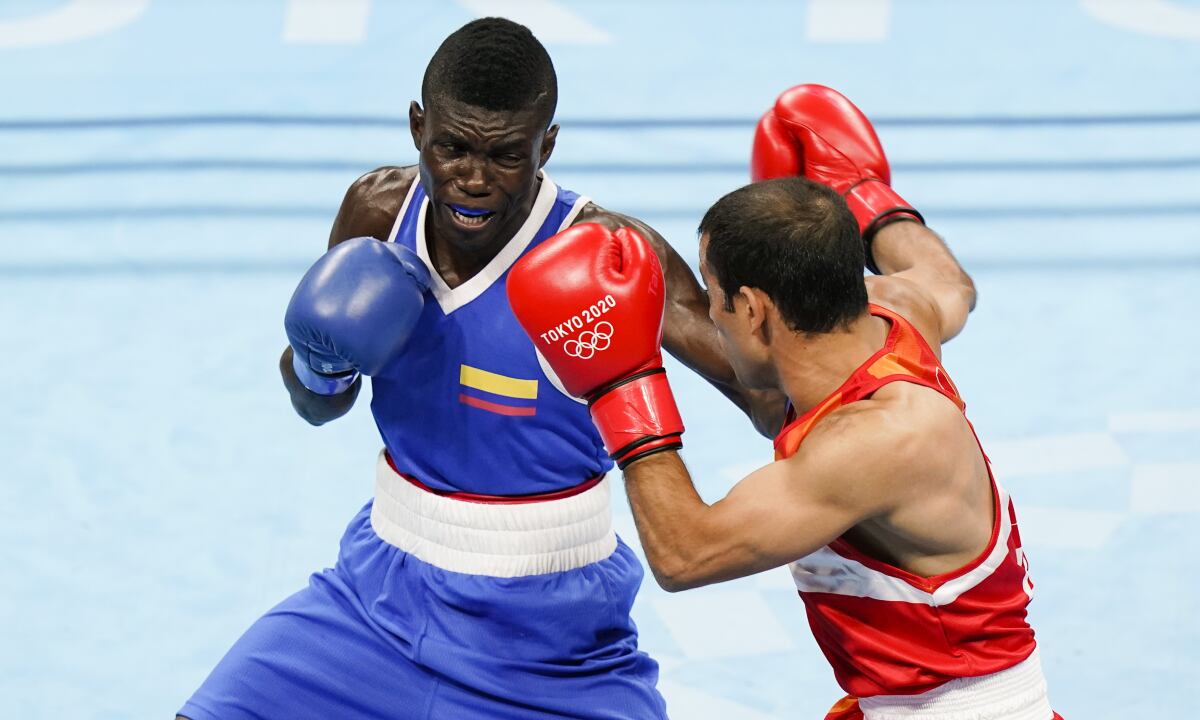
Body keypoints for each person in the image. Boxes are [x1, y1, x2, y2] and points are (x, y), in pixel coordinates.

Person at [177, 17, 783, 720]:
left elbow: (771, 398)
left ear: (545, 145)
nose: (471, 179)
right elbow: (317, 406)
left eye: (503, 156)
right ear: (417, 128)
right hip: (375, 605)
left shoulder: (609, 253)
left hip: (555, 639)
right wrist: (319, 363)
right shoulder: (376, 211)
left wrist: (811, 281)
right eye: (452, 148)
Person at [508, 85, 1060, 719]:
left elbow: (687, 553)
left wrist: (620, 383)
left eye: (713, 297)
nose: (707, 313)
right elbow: (949, 281)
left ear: (753, 308)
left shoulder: (879, 442)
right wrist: (865, 194)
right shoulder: (898, 314)